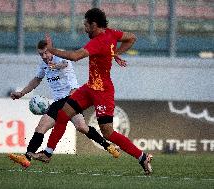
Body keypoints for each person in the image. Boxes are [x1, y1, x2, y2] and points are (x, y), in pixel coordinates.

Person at [29, 8, 153, 175]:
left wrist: (52, 50)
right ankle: (47, 153)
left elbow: (74, 56)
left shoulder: (99, 41)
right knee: (64, 113)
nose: (85, 29)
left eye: (86, 25)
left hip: (103, 91)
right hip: (90, 87)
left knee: (107, 132)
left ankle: (142, 156)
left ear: (94, 25)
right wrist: (114, 53)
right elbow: (132, 38)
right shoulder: (111, 33)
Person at [8, 40, 120, 169]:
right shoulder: (43, 65)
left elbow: (65, 63)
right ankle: (109, 146)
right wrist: (22, 93)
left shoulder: (60, 56)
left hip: (71, 97)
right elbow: (37, 80)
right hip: (63, 101)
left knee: (43, 127)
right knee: (81, 127)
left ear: (51, 50)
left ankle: (28, 157)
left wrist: (55, 66)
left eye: (46, 53)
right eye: (41, 54)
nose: (44, 57)